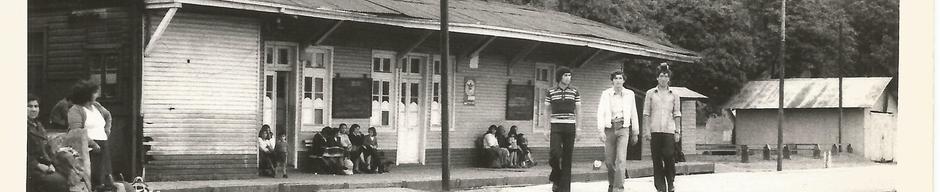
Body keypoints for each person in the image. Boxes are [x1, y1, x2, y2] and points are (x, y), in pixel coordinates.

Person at [596, 71, 640, 192]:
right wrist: (600, 130)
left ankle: (619, 188)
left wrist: (635, 131)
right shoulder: (606, 94)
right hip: (609, 128)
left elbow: (634, 113)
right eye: (616, 78)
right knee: (609, 161)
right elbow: (601, 112)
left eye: (620, 78)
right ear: (612, 81)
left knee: (621, 159)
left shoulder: (629, 94)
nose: (618, 81)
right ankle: (612, 183)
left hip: (623, 128)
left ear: (624, 81)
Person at [67, 79, 114, 191]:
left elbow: (108, 116)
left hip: (103, 143)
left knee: (105, 176)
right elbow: (76, 131)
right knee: (92, 178)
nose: (97, 94)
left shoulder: (97, 106)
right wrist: (93, 144)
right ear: (87, 94)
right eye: (95, 92)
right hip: (87, 148)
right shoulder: (76, 110)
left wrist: (107, 131)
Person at [643, 63, 682, 192]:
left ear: (669, 78)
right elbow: (646, 113)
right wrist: (647, 130)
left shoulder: (674, 94)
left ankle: (670, 182)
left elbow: (677, 113)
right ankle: (660, 187)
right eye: (661, 76)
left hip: (669, 130)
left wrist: (677, 131)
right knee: (657, 159)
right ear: (657, 78)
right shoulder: (650, 93)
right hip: (655, 130)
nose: (663, 78)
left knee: (669, 155)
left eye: (666, 76)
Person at [543, 68, 580, 192]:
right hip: (556, 127)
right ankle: (556, 176)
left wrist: (579, 128)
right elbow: (546, 110)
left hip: (570, 127)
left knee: (567, 159)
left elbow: (579, 110)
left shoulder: (575, 91)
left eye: (569, 75)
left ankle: (564, 189)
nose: (568, 78)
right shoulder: (551, 91)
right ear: (560, 77)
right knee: (555, 153)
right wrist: (546, 129)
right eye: (565, 75)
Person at [27, 94, 69, 192]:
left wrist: (51, 163)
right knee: (58, 181)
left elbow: (47, 149)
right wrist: (40, 166)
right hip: (31, 167)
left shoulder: (38, 125)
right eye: (29, 106)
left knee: (68, 173)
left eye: (36, 106)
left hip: (44, 163)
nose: (33, 109)